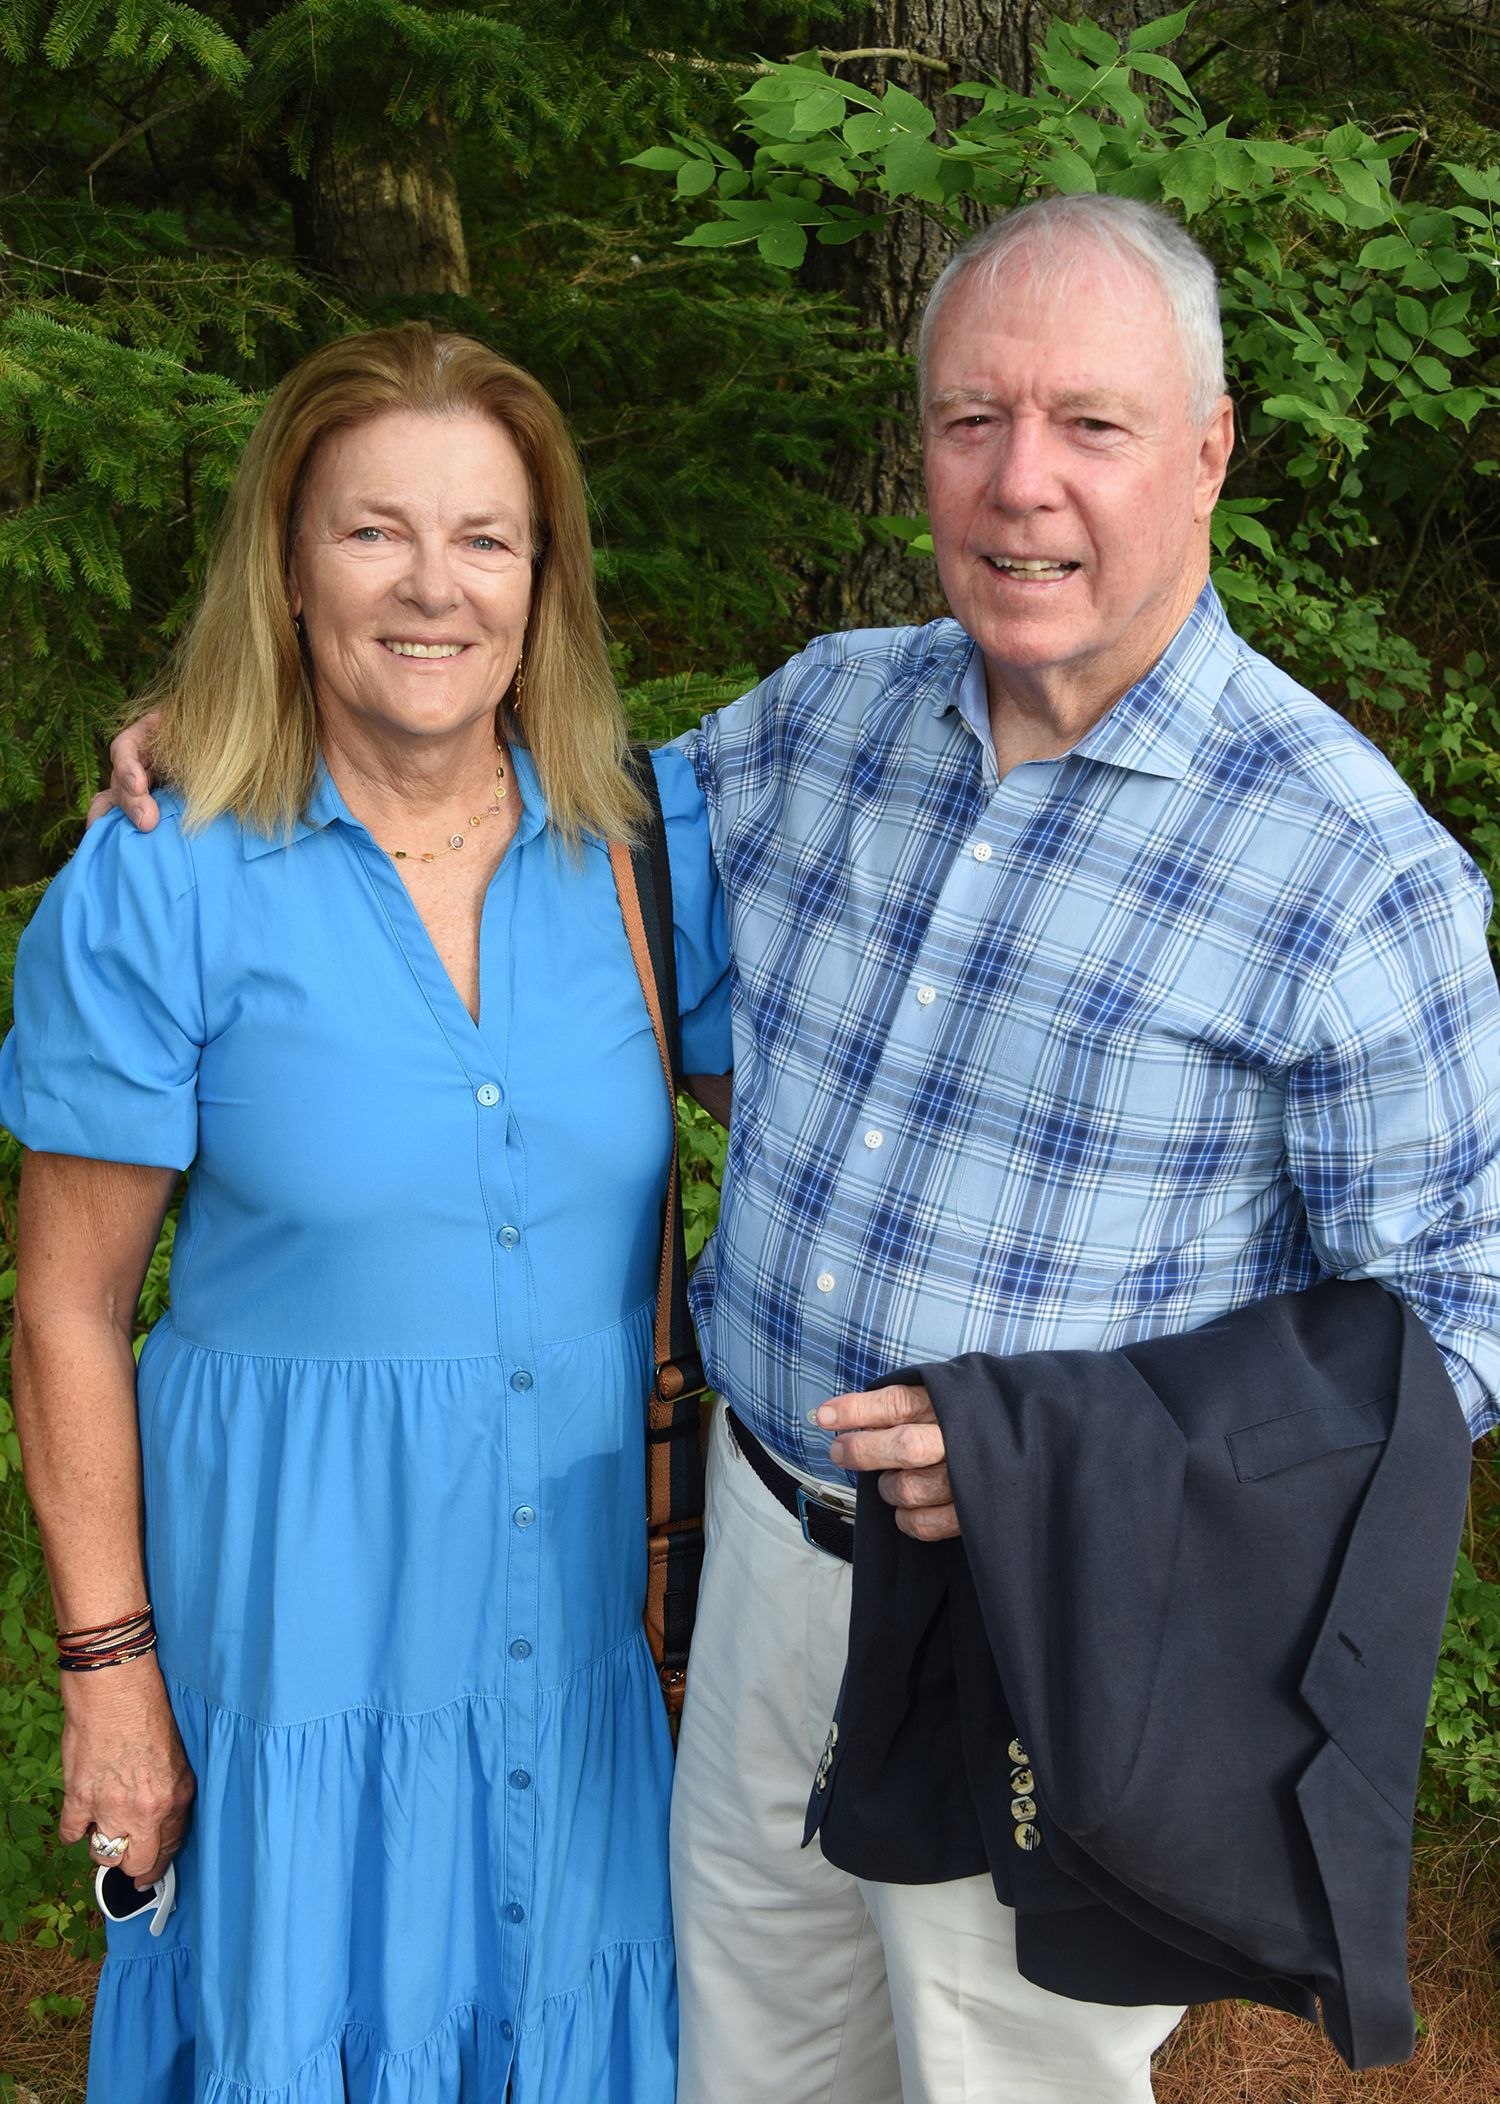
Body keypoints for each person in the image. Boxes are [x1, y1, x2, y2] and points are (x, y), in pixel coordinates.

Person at [102, 197, 1500, 2103]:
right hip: (756, 1567)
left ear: (1209, 448)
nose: (1021, 487)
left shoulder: (1348, 872)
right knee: (737, 2068)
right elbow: (501, 826)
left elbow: (1458, 1318)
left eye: (1090, 424)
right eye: (969, 423)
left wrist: (1091, 1448)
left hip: (1048, 1630)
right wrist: (264, 713)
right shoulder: (833, 719)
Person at [3, 321, 730, 2102]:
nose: (434, 587)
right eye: (372, 532)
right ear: (286, 562)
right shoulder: (163, 878)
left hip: (578, 1638)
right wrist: (109, 1673)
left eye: (485, 537)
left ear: (543, 577)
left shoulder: (645, 850)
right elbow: (68, 1311)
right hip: (289, 1641)